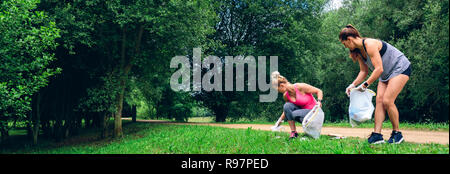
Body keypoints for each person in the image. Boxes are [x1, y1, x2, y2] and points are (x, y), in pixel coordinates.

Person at [339, 24, 411, 144]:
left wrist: (365, 85)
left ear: (349, 39)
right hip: (385, 75)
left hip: (400, 67)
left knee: (387, 101)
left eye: (344, 43)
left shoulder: (370, 44)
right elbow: (364, 71)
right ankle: (377, 135)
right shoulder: (359, 51)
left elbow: (379, 69)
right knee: (379, 101)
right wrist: (353, 84)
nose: (345, 46)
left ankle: (397, 134)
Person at [271, 71, 323, 139]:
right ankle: (294, 132)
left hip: (315, 113)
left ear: (282, 86)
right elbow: (286, 111)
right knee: (287, 106)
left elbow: (319, 91)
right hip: (304, 116)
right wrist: (278, 123)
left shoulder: (300, 87)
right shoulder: (286, 96)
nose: (278, 92)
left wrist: (319, 101)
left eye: (278, 90)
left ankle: (311, 131)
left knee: (295, 114)